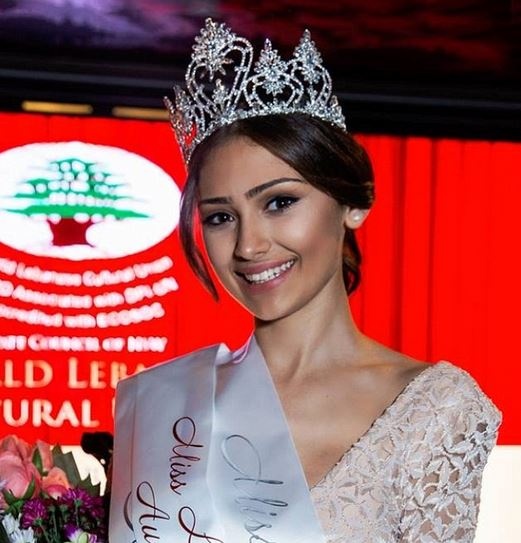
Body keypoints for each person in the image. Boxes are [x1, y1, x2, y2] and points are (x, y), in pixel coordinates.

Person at [109, 19, 501, 543]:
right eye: (221, 217)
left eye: (279, 202)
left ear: (353, 202)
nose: (249, 246)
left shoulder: (432, 409)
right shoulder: (163, 401)